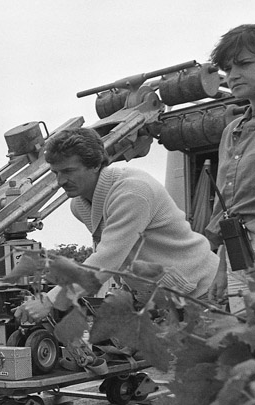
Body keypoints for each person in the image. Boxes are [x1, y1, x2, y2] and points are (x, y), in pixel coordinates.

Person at [15, 127, 219, 325]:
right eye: (56, 172)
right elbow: (123, 258)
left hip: (204, 293)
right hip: (165, 302)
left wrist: (51, 300)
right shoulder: (80, 205)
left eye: (68, 171)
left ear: (95, 165)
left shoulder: (132, 192)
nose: (60, 181)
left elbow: (107, 259)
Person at [207, 24, 255, 315]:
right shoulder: (232, 131)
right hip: (239, 252)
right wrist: (223, 267)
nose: (232, 75)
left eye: (244, 63)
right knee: (245, 345)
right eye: (227, 67)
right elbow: (229, 210)